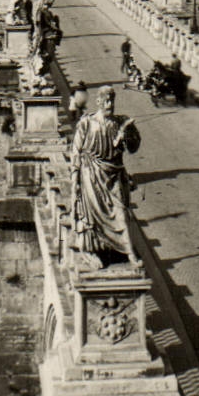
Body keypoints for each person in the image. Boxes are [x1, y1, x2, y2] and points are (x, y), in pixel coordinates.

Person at [70, 87, 142, 264]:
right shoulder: (87, 123)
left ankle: (129, 252)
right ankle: (91, 250)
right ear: (99, 102)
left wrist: (128, 135)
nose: (110, 104)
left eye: (112, 101)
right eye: (106, 101)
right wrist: (74, 181)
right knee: (92, 217)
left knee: (122, 213)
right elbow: (76, 152)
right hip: (91, 175)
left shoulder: (120, 123)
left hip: (114, 175)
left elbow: (133, 148)